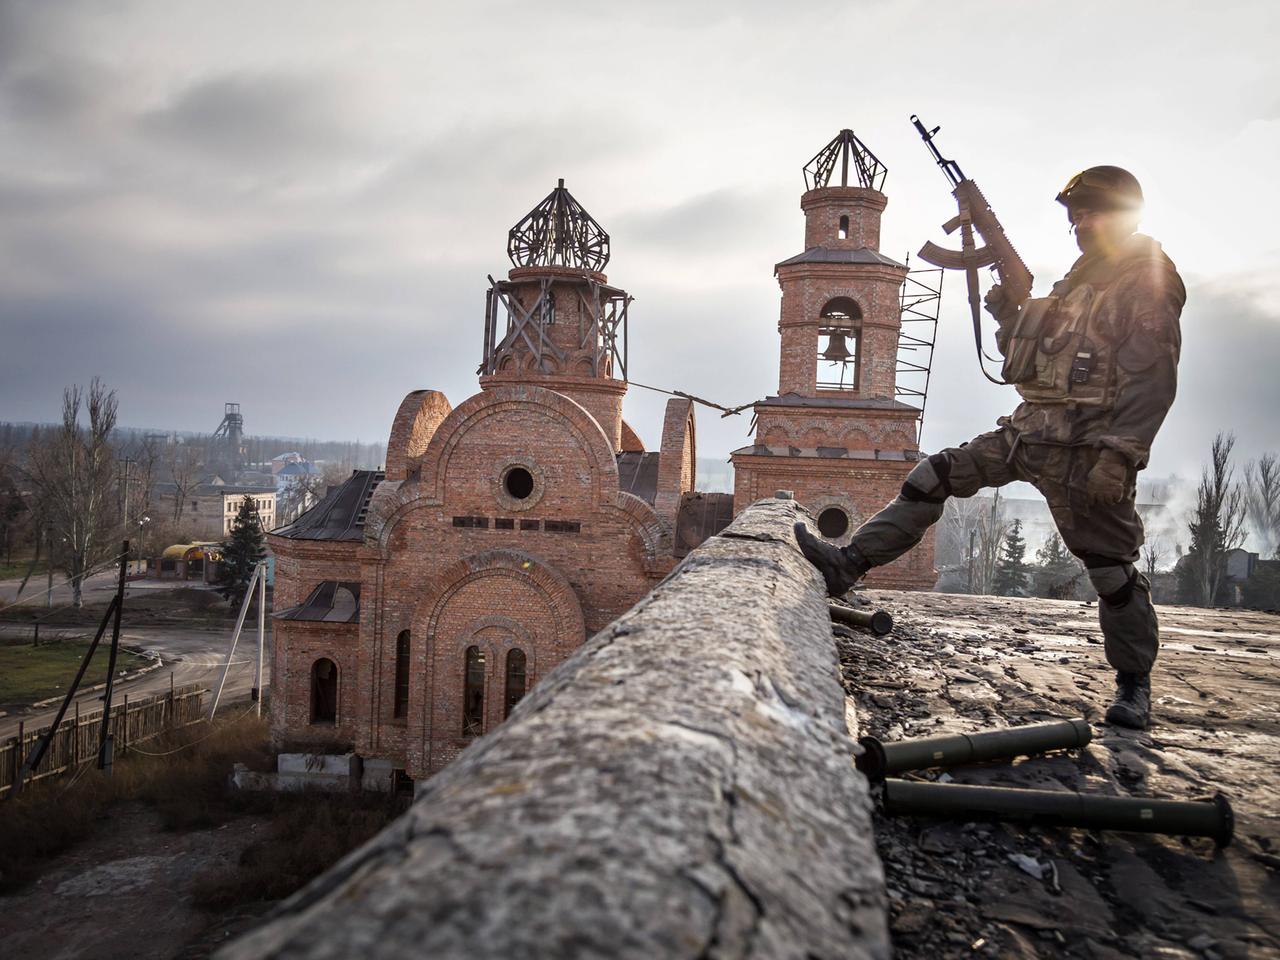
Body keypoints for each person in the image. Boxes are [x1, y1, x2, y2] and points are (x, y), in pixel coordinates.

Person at [795, 166, 1186, 730]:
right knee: (933, 476)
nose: (1080, 224)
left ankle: (1133, 685)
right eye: (1075, 215)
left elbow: (1154, 378)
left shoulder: (1146, 280)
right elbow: (1028, 361)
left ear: (1126, 216)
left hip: (1088, 446)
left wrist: (1121, 453)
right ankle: (848, 567)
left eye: (1091, 213)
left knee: (1110, 572)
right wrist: (1010, 313)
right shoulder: (1078, 281)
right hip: (1028, 432)